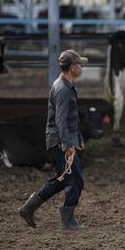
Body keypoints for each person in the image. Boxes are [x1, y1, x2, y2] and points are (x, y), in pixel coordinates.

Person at [18, 49, 88, 230]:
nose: (81, 67)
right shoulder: (63, 89)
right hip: (60, 141)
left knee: (63, 178)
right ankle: (68, 220)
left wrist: (78, 138)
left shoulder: (66, 85)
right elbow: (61, 120)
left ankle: (29, 208)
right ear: (72, 67)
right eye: (79, 64)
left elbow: (72, 119)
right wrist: (67, 144)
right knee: (75, 179)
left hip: (63, 139)